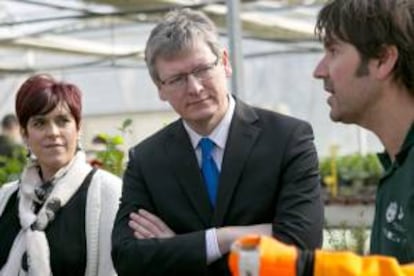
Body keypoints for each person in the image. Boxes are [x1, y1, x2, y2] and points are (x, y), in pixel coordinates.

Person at [111, 8, 323, 276]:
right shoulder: (147, 160)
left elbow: (299, 247)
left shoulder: (287, 139)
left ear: (224, 62)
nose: (195, 88)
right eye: (177, 79)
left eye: (201, 70)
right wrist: (222, 239)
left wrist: (180, 249)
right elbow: (127, 258)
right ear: (160, 89)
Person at [229, 0, 414, 274]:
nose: (319, 70)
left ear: (383, 59)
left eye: (333, 50)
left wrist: (304, 267)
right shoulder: (397, 170)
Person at [0, 74, 122, 276]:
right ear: (24, 134)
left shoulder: (107, 193)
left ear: (78, 128)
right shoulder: (6, 198)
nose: (53, 132)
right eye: (40, 123)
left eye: (62, 121)